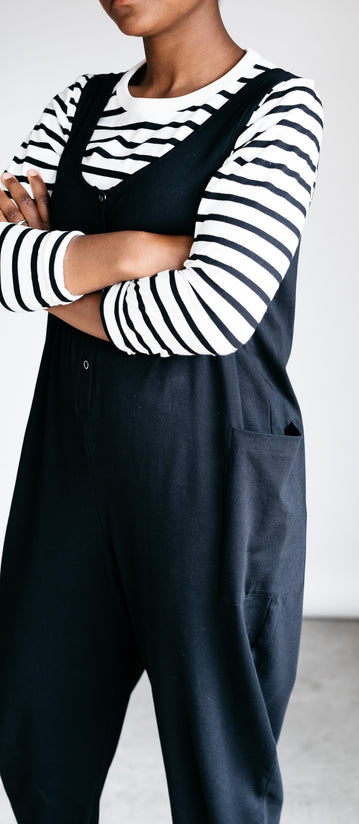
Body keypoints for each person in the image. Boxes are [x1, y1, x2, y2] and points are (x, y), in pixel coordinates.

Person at [0, 0, 323, 821]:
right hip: (67, 474)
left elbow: (212, 311)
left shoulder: (280, 108)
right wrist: (141, 252)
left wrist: (59, 270)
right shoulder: (78, 104)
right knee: (40, 747)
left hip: (212, 485)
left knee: (220, 780)